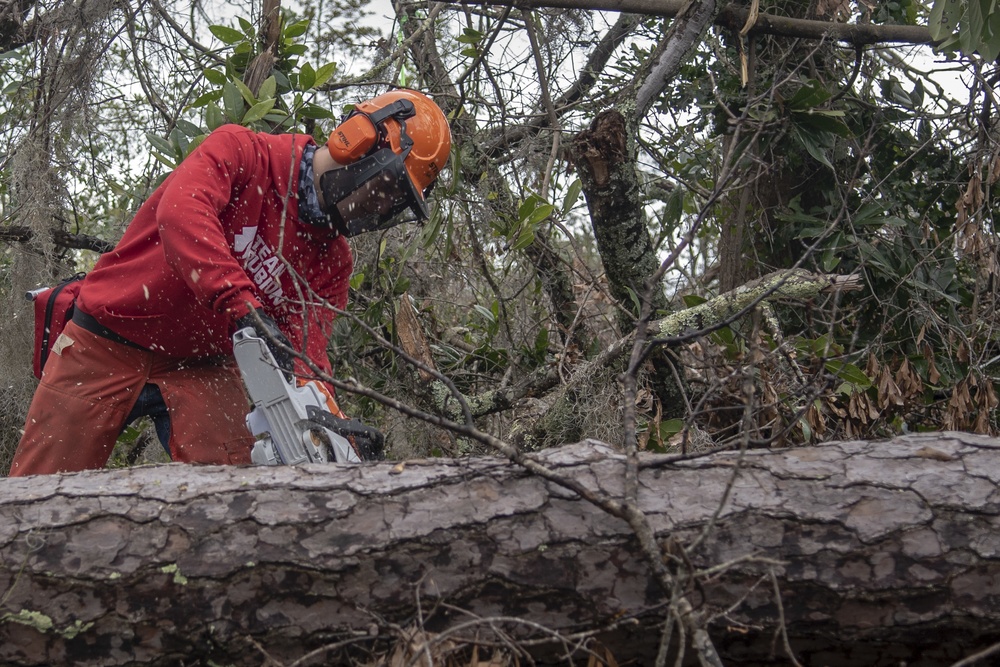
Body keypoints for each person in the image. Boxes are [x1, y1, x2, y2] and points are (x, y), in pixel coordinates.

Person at [9, 88, 452, 476]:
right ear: (359, 143)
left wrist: (339, 441)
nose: (378, 205)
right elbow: (182, 213)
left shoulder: (332, 261)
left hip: (203, 365)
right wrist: (243, 305)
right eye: (385, 188)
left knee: (236, 489)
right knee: (39, 490)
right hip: (109, 334)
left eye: (393, 202)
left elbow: (307, 360)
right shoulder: (244, 152)